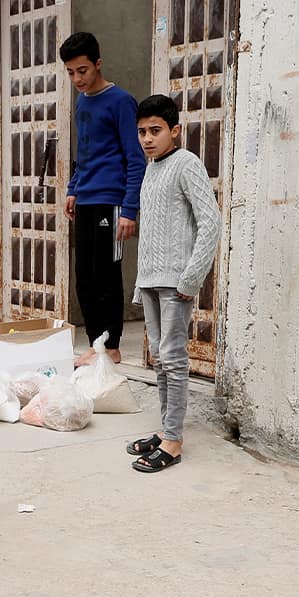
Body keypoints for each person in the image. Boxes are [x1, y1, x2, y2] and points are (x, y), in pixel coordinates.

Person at [126, 94, 220, 473]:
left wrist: (190, 278)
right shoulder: (152, 168)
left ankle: (174, 441)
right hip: (150, 280)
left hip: (175, 282)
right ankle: (166, 430)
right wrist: (140, 281)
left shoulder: (186, 164)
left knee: (175, 360)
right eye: (142, 132)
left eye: (155, 130)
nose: (148, 138)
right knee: (161, 362)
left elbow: (209, 222)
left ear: (175, 131)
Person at [58, 32, 147, 366]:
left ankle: (111, 347)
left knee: (106, 275)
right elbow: (86, 153)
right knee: (85, 276)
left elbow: (135, 158)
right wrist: (73, 187)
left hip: (112, 201)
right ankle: (96, 345)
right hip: (86, 199)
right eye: (70, 72)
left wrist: (129, 209)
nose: (77, 78)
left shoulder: (121, 101)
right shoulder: (82, 101)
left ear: (98, 64)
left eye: (82, 70)